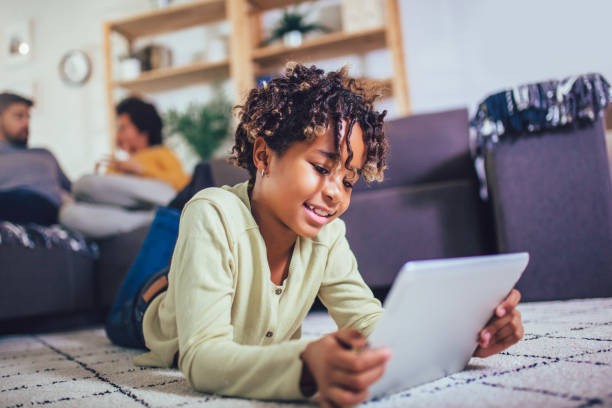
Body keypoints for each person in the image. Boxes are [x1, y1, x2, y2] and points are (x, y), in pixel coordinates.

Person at [106, 63, 524, 406]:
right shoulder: (211, 214)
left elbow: (368, 321)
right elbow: (201, 358)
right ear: (264, 154)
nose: (334, 193)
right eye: (322, 168)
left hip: (204, 264)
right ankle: (164, 232)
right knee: (149, 271)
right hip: (146, 306)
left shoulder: (328, 236)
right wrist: (304, 365)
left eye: (348, 180)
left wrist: (462, 333)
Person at [59, 97, 189, 238]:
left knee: (84, 183)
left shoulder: (161, 153)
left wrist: (141, 170)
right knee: (67, 214)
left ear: (142, 128)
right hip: (126, 213)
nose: (117, 135)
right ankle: (151, 220)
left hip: (160, 198)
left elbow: (182, 185)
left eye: (122, 128)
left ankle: (162, 215)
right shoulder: (119, 165)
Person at [0, 92, 71, 225]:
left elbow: (73, 190)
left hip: (41, 207)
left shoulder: (44, 154)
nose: (26, 123)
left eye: (28, 117)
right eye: (19, 116)